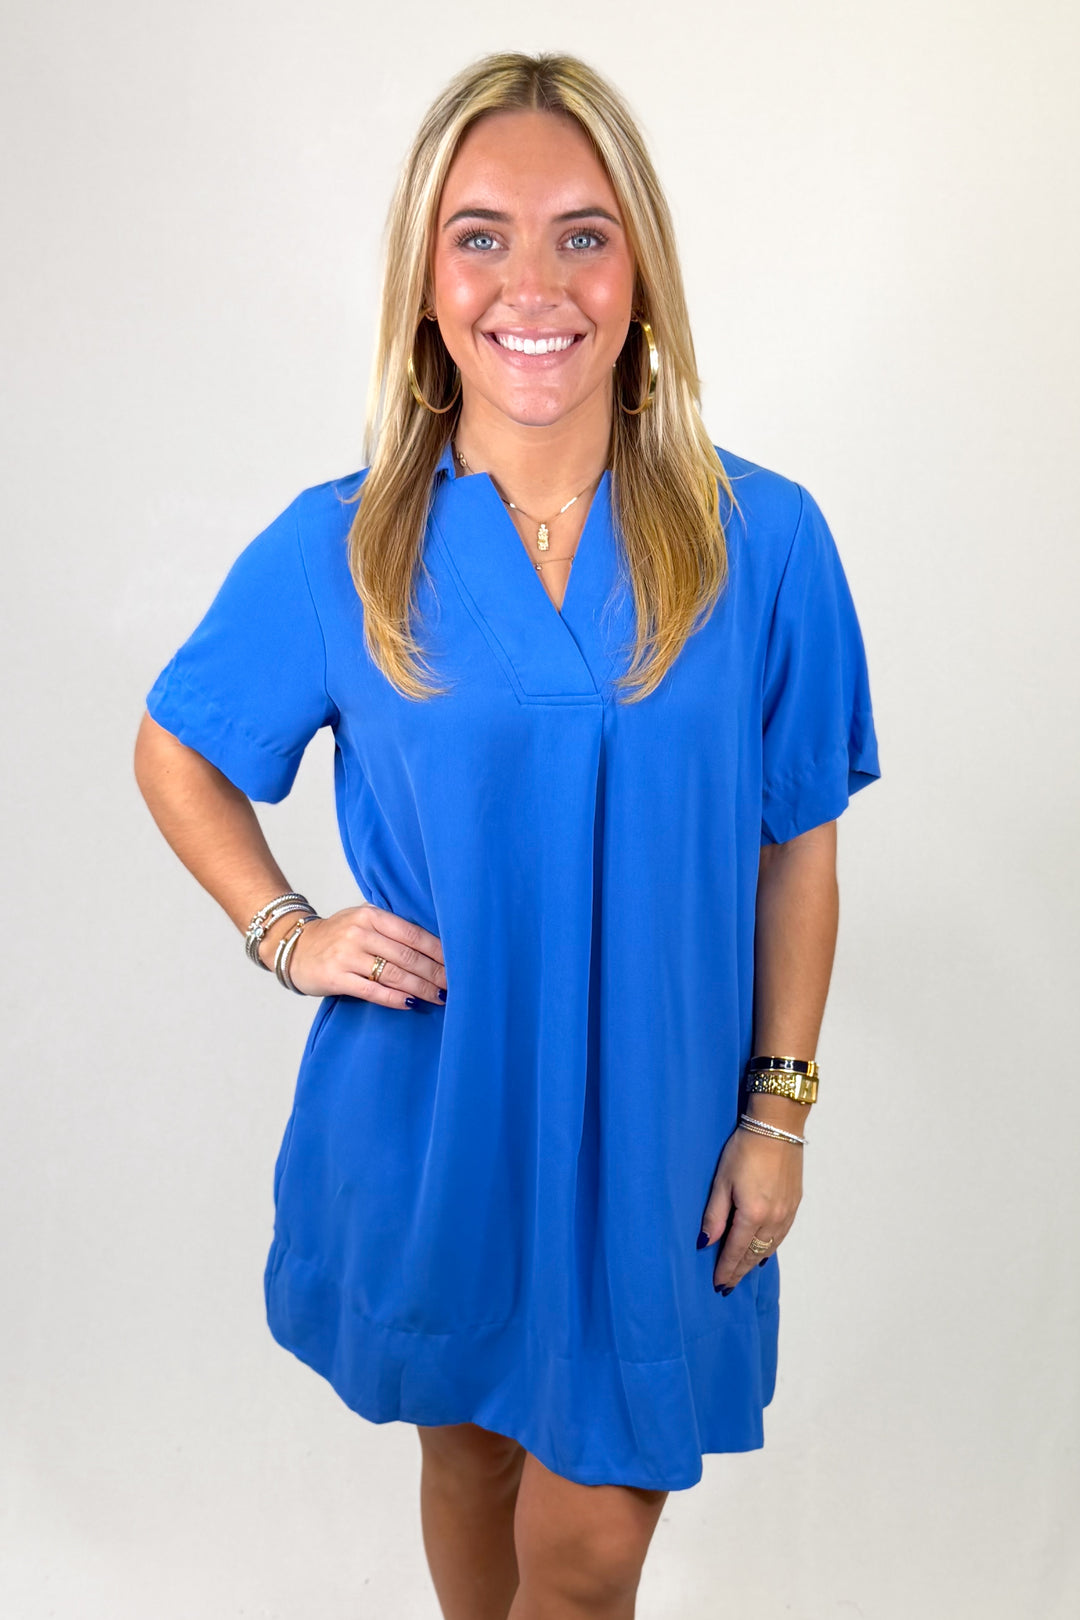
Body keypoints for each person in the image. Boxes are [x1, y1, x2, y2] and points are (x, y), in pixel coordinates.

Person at [134, 49, 882, 1620]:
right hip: (433, 1116)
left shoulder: (767, 543)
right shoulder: (343, 548)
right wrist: (290, 930)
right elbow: (179, 749)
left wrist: (783, 1109)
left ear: (642, 275)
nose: (531, 281)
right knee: (468, 1462)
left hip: (665, 1137)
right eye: (480, 234)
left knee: (590, 1551)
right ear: (423, 279)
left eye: (581, 233)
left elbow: (795, 844)